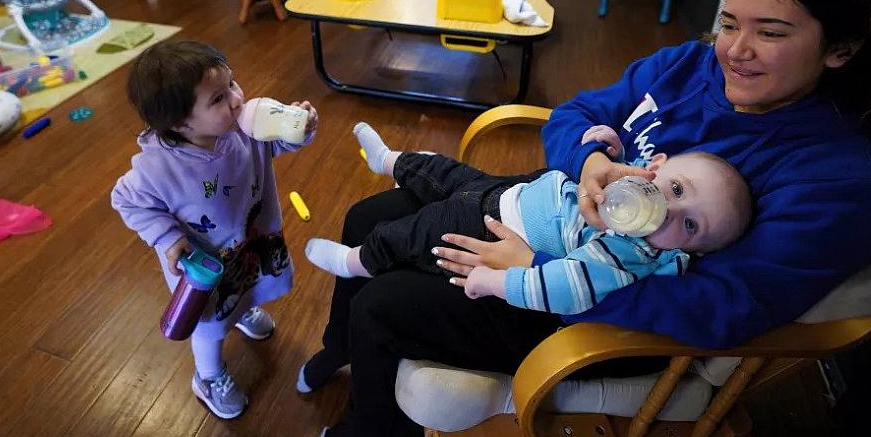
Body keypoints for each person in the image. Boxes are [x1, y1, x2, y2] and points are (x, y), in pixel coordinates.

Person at [304, 0, 871, 437]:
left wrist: (535, 272)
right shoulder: (688, 65)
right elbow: (577, 114)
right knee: (369, 218)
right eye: (730, 23)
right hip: (559, 210)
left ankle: (375, 430)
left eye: (772, 33)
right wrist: (590, 163)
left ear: (838, 49)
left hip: (602, 304)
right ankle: (342, 346)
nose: (734, 49)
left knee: (386, 304)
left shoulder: (833, 182)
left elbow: (722, 309)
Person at [305, 123, 750, 317]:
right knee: (439, 170)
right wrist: (607, 147)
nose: (669, 210)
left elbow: (561, 288)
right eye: (675, 189)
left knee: (412, 235)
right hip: (509, 191)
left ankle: (356, 261)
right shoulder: (632, 175)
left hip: (492, 229)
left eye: (689, 226)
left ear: (687, 251)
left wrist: (498, 282)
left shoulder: (625, 256)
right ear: (657, 167)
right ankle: (389, 159)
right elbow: (609, 158)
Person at [110, 40, 318, 420]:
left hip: (248, 243)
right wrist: (167, 238)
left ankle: (240, 310)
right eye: (219, 98)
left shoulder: (242, 130)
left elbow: (274, 148)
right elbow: (126, 200)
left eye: (233, 85)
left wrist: (295, 129)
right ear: (179, 123)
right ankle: (208, 377)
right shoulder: (156, 169)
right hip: (205, 268)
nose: (238, 100)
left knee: (247, 287)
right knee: (208, 324)